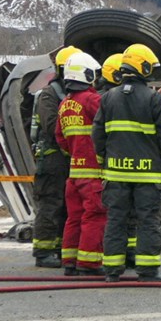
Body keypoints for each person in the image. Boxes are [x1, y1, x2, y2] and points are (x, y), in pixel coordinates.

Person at [93, 43, 161, 282]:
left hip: (116, 176)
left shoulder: (108, 98)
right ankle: (148, 270)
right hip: (147, 176)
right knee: (148, 220)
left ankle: (112, 271)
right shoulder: (154, 99)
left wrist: (104, 161)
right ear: (142, 67)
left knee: (116, 220)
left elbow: (97, 134)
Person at [55, 52, 108, 276]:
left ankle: (69, 260)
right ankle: (89, 263)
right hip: (93, 172)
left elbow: (60, 138)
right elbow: (109, 126)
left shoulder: (64, 105)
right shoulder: (92, 100)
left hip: (74, 173)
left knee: (74, 217)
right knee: (94, 216)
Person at [28, 45, 80, 267]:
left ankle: (60, 248)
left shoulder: (73, 94)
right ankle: (43, 251)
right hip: (52, 159)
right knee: (51, 204)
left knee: (67, 206)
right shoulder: (49, 95)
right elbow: (51, 127)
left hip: (68, 158)